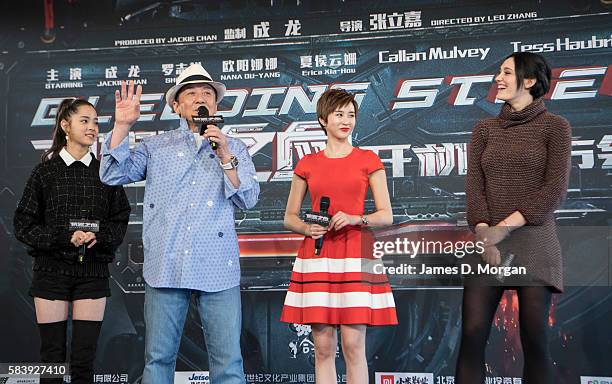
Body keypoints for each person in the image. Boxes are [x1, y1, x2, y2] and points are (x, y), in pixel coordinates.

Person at [99, 63, 260, 384]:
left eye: (207, 94)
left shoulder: (234, 146)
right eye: (192, 94)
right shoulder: (156, 146)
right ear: (177, 105)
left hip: (218, 267)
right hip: (167, 265)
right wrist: (121, 126)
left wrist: (225, 152)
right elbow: (111, 174)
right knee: (158, 360)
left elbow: (248, 198)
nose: (201, 99)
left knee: (228, 363)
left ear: (215, 104)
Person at [456, 52, 572, 383]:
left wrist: (502, 231)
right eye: (499, 72)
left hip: (535, 243)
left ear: (530, 81)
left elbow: (554, 191)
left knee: (534, 339)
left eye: (507, 72)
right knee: (472, 335)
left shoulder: (556, 127)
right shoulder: (484, 129)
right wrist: (484, 234)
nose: (498, 78)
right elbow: (475, 190)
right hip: (486, 244)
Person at [280, 89, 397, 384]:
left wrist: (358, 218)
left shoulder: (368, 159)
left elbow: (386, 215)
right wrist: (308, 228)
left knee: (354, 345)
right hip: (318, 255)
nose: (346, 121)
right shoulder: (307, 163)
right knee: (323, 348)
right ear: (323, 120)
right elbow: (289, 217)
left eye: (351, 115)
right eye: (339, 114)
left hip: (358, 253)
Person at [14, 98, 130, 384]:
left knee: (84, 360)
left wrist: (98, 236)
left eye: (95, 121)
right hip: (51, 273)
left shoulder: (106, 172)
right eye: (84, 121)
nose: (92, 127)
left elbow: (120, 219)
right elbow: (24, 224)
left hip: (92, 274)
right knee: (51, 358)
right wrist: (65, 238)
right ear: (65, 125)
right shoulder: (44, 172)